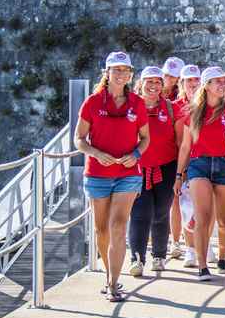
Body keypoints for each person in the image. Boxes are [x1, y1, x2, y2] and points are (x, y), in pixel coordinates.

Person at [74, 52, 149, 302]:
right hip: (98, 173)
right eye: (115, 70)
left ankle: (113, 282)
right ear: (106, 73)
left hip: (127, 173)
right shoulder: (92, 103)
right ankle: (109, 271)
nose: (120, 74)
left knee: (118, 226)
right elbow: (79, 139)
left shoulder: (137, 103)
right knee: (101, 229)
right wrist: (96, 153)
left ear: (130, 75)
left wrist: (136, 154)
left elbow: (145, 138)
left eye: (125, 70)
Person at [173, 67, 225, 281]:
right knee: (203, 216)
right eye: (216, 81)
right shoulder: (193, 111)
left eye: (223, 81)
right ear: (206, 85)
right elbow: (185, 146)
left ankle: (223, 257)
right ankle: (202, 266)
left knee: (224, 220)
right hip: (200, 164)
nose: (221, 84)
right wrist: (179, 175)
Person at [129, 66, 178, 277]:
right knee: (140, 213)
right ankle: (137, 258)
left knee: (161, 211)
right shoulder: (131, 106)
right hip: (138, 167)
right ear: (141, 83)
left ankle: (159, 255)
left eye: (158, 82)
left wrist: (181, 171)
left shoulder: (168, 107)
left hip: (166, 165)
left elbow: (179, 137)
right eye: (149, 81)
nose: (153, 86)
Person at [170, 64, 205, 267]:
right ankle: (189, 249)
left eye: (196, 80)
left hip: (202, 161)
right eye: (188, 80)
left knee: (204, 207)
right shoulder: (174, 106)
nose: (193, 84)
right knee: (185, 206)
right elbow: (176, 140)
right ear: (181, 83)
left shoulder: (207, 104)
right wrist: (178, 169)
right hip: (180, 161)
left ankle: (203, 244)